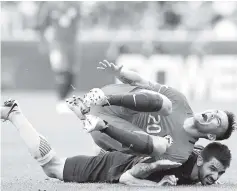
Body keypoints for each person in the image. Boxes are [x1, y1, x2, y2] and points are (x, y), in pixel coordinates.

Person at [1, 99, 231, 186]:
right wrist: (155, 185)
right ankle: (15, 114)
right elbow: (127, 178)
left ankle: (87, 118)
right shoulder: (174, 164)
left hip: (127, 151)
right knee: (52, 168)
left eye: (218, 174)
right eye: (212, 170)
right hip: (116, 165)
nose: (214, 178)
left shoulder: (195, 158)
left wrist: (208, 173)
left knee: (110, 142)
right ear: (200, 159)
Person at [77, 60, 236, 163]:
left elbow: (137, 164)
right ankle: (101, 101)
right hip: (107, 99)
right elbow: (142, 82)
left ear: (211, 136)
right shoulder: (179, 100)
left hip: (104, 128)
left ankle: (85, 115)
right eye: (215, 111)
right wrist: (120, 73)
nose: (213, 114)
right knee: (165, 104)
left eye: (218, 120)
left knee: (159, 146)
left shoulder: (180, 154)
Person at [35, 2, 80, 113]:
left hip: (72, 44)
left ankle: (66, 99)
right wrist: (43, 41)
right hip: (57, 44)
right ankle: (61, 101)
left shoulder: (75, 4)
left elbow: (84, 19)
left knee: (72, 73)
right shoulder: (50, 5)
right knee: (61, 71)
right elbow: (41, 25)